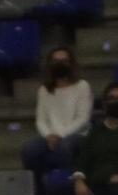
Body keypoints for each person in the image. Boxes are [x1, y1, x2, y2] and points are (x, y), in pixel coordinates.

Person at [22, 46, 91, 174]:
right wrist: (49, 136)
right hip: (50, 136)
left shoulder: (82, 86)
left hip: (77, 135)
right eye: (56, 61)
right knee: (30, 149)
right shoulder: (44, 90)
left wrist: (59, 135)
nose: (60, 64)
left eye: (64, 61)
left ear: (71, 64)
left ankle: (63, 185)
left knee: (64, 147)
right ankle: (39, 189)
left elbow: (83, 119)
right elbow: (41, 120)